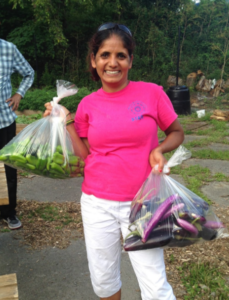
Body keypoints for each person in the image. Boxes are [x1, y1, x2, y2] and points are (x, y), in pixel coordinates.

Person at [44, 23, 184, 300]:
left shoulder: (152, 93)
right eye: (105, 54)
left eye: (121, 55)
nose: (112, 62)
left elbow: (177, 132)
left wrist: (160, 149)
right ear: (94, 61)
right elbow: (86, 154)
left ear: (130, 61)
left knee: (155, 285)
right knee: (104, 280)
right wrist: (66, 121)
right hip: (97, 204)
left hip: (144, 201)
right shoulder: (87, 105)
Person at [0, 39, 34, 230]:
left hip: (4, 120)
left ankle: (9, 212)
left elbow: (29, 73)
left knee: (8, 168)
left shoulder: (8, 49)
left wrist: (19, 94)